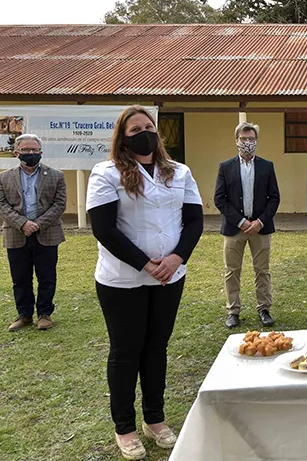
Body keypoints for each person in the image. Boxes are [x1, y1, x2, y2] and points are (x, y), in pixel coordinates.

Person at [86, 106, 204, 460]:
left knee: (156, 348)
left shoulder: (179, 172)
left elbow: (194, 221)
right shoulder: (105, 173)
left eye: (149, 127)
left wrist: (175, 259)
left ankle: (156, 419)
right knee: (125, 352)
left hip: (169, 277)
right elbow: (104, 228)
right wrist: (145, 263)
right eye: (135, 128)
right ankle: (125, 428)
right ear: (123, 137)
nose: (144, 133)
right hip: (122, 279)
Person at [0, 133, 66, 331]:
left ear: (41, 152)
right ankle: (24, 315)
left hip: (47, 233)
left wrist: (38, 224)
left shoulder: (56, 176)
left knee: (47, 276)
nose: (30, 153)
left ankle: (45, 314)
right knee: (20, 278)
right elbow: (1, 205)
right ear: (17, 152)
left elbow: (59, 204)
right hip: (16, 233)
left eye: (34, 150)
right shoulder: (3, 177)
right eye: (26, 150)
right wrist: (23, 223)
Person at [214, 121, 280, 328]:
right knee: (232, 270)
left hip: (261, 229)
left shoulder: (266, 166)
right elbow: (219, 199)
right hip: (235, 229)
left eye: (251, 139)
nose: (247, 143)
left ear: (256, 141)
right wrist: (241, 222)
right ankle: (233, 311)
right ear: (237, 141)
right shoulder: (225, 167)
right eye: (244, 139)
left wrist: (260, 222)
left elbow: (274, 198)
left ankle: (264, 309)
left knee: (262, 270)